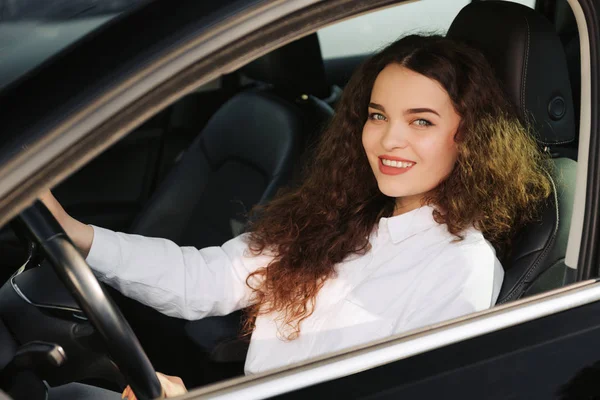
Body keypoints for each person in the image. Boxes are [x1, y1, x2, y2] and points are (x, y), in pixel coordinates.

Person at [41, 34, 551, 398]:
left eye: (421, 121)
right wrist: (81, 238)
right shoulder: (339, 216)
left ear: (469, 140)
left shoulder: (461, 267)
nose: (389, 140)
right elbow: (209, 277)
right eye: (378, 115)